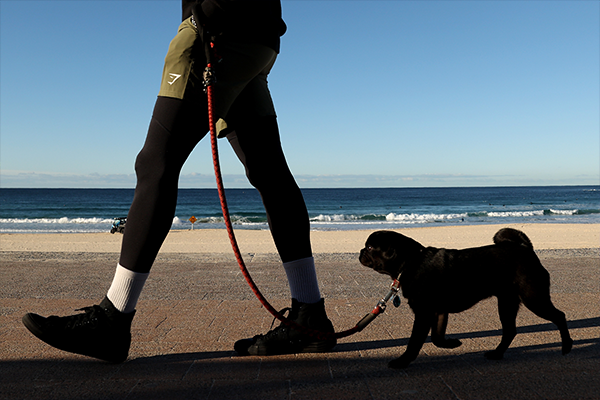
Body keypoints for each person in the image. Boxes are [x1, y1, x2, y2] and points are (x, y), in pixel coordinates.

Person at [22, 0, 336, 363]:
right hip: (259, 38)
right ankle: (310, 316)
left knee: (156, 163)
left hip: (218, 30)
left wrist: (209, 12)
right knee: (270, 174)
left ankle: (113, 318)